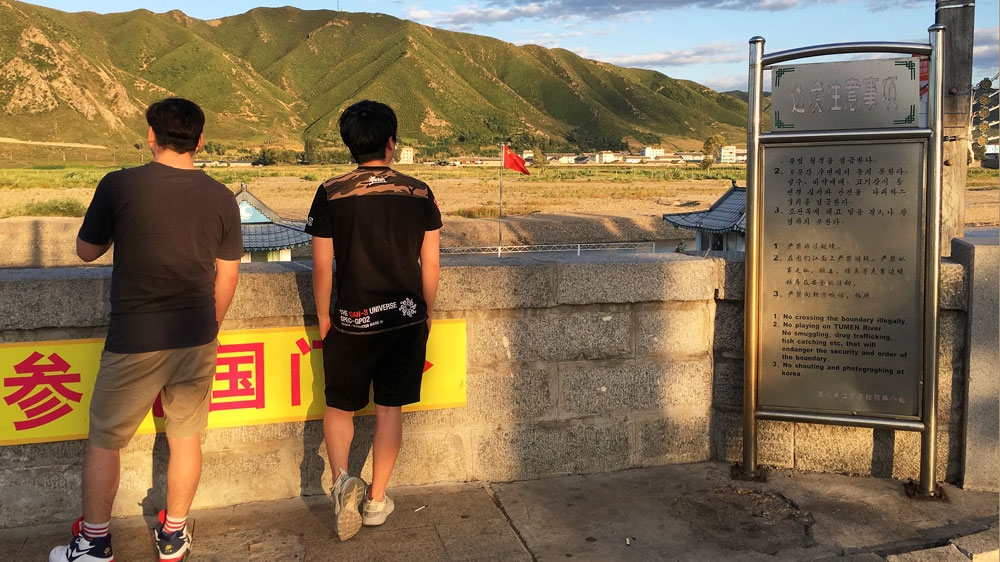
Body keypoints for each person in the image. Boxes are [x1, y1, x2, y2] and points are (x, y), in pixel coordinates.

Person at [49, 98, 243, 562]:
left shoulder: (119, 185)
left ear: (152, 136)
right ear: (199, 141)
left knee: (104, 439)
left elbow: (85, 251)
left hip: (135, 337)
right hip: (196, 336)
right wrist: (209, 328)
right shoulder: (221, 196)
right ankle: (173, 536)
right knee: (186, 438)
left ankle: (94, 542)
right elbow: (229, 274)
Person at [305, 100, 441, 541]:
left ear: (350, 143)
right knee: (389, 409)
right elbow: (430, 265)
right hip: (403, 320)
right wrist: (427, 312)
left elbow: (323, 266)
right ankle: (377, 500)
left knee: (339, 405)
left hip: (351, 320)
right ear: (391, 142)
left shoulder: (331, 192)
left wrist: (325, 315)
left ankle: (343, 479)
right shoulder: (419, 192)